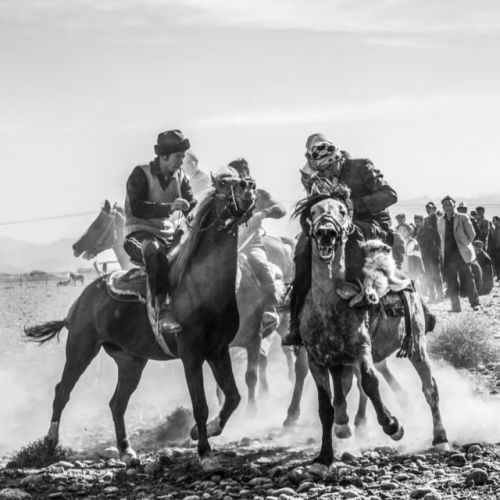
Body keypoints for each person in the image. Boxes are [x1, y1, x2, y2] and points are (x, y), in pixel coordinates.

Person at [283, 136, 400, 346]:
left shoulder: (362, 166)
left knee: (353, 233)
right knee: (303, 245)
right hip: (339, 226)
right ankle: (296, 314)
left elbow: (389, 195)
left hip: (373, 225)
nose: (325, 176)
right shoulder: (320, 177)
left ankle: (361, 289)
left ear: (335, 160)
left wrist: (352, 207)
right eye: (320, 172)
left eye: (326, 171)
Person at [123, 130, 196, 333]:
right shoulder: (140, 174)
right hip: (138, 235)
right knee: (155, 253)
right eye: (179, 156)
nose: (182, 162)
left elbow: (192, 204)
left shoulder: (181, 177)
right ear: (164, 156)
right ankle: (163, 312)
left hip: (168, 236)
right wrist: (169, 208)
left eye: (182, 157)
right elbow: (137, 207)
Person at [228, 158, 287, 334]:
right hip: (226, 247)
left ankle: (270, 308)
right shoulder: (224, 196)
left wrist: (264, 213)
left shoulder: (259, 195)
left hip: (251, 245)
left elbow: (281, 208)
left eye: (242, 177)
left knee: (259, 263)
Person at [437, 196, 479, 312]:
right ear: (443, 208)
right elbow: (441, 236)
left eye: (450, 204)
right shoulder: (440, 221)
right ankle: (456, 307)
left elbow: (472, 234)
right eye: (445, 205)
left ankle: (475, 303)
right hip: (448, 257)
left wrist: (465, 244)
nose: (448, 207)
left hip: (462, 255)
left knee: (468, 280)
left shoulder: (463, 217)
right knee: (451, 283)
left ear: (454, 205)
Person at [420, 202, 444, 302]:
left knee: (436, 274)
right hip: (426, 252)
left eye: (430, 208)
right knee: (428, 274)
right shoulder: (425, 221)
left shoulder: (438, 220)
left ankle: (440, 296)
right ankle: (432, 296)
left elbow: (440, 236)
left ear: (435, 209)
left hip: (434, 252)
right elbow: (422, 234)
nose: (428, 210)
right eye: (427, 208)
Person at [397, 222, 425, 287]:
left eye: (404, 230)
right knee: (404, 289)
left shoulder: (413, 242)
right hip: (401, 271)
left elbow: (418, 256)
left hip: (412, 270)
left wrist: (421, 270)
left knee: (413, 289)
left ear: (409, 232)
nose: (402, 232)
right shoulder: (396, 242)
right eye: (400, 230)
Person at [491, 216, 500, 281]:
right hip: (495, 249)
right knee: (496, 263)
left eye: (494, 220)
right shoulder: (494, 229)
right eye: (492, 220)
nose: (493, 222)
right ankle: (498, 277)